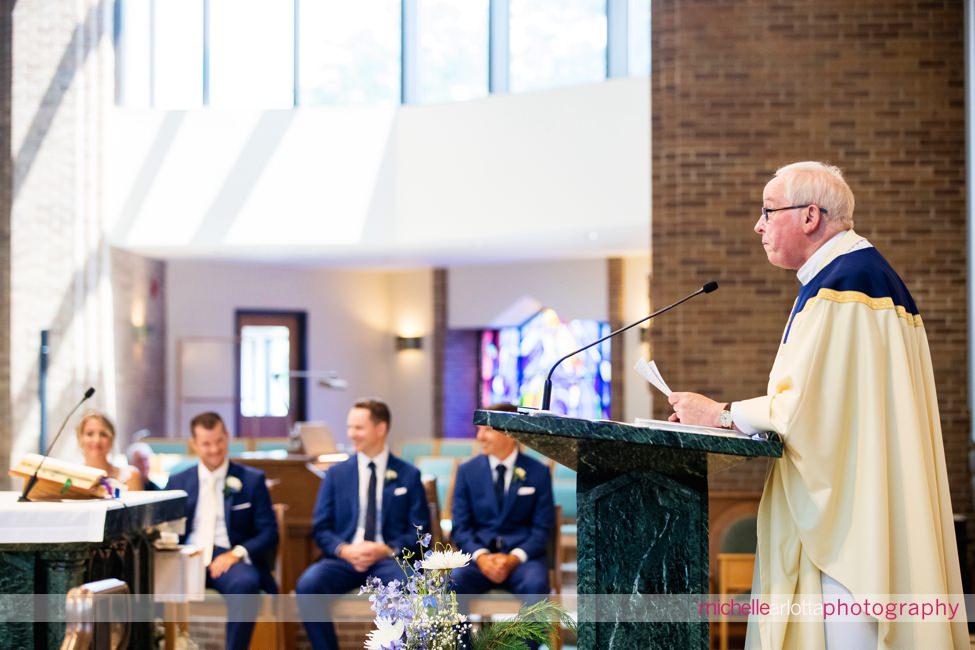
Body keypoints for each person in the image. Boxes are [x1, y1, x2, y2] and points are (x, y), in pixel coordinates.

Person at [668, 161, 966, 649]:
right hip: (861, 495)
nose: (758, 225)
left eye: (767, 211)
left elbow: (805, 412)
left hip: (849, 521)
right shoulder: (858, 276)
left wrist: (719, 414)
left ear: (810, 217)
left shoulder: (843, 287)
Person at [296, 398, 430, 650]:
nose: (351, 434)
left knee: (412, 588)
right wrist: (345, 549)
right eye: (349, 427)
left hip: (389, 560)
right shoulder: (336, 474)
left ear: (380, 429)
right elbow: (321, 528)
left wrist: (385, 549)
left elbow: (420, 531)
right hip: (344, 560)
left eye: (358, 428)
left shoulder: (408, 475)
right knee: (308, 586)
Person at [164, 412, 278, 650]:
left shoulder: (251, 479)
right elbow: (166, 529)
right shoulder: (177, 482)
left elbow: (269, 532)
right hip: (187, 556)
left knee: (246, 585)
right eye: (206, 443)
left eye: (219, 441)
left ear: (227, 437)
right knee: (149, 582)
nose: (215, 449)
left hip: (229, 556)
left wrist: (236, 553)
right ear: (194, 444)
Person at [450, 403, 554, 604]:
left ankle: (529, 638)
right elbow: (461, 528)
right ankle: (465, 638)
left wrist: (513, 558)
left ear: (510, 432)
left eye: (487, 430)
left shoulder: (538, 473)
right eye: (479, 430)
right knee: (452, 584)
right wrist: (481, 557)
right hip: (477, 560)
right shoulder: (467, 472)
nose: (480, 437)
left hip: (523, 560)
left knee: (536, 585)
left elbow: (542, 529)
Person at [76, 411, 143, 492]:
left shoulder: (130, 476)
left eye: (103, 434)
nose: (96, 440)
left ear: (111, 440)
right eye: (90, 434)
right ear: (80, 439)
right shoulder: (71, 478)